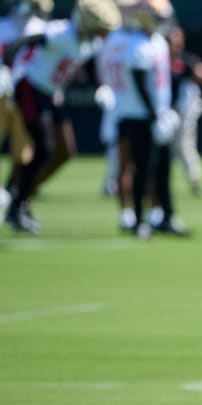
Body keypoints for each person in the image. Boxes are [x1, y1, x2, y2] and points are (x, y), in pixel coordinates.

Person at [3, 0, 122, 234]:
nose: (105, 35)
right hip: (31, 87)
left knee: (65, 150)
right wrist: (6, 67)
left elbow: (86, 65)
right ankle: (16, 203)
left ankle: (22, 194)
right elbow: (23, 42)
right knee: (44, 147)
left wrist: (99, 87)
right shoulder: (62, 33)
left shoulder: (89, 42)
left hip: (50, 92)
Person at [98, 0, 182, 237]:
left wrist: (163, 111)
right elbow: (138, 80)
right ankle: (138, 219)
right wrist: (155, 114)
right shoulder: (138, 44)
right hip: (139, 114)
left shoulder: (154, 42)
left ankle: (165, 215)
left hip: (155, 113)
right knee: (141, 169)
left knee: (163, 168)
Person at [0, 0, 51, 209]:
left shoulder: (40, 28)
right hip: (1, 95)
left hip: (25, 96)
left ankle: (15, 194)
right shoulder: (3, 25)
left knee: (25, 151)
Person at [168, 24, 202, 196]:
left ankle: (194, 181)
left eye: (178, 39)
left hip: (182, 112)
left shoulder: (185, 60)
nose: (175, 42)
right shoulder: (158, 58)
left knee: (185, 146)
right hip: (162, 112)